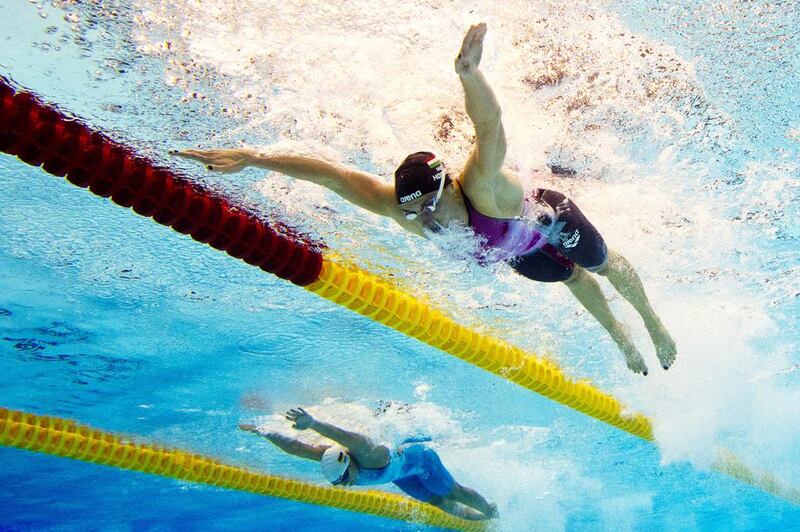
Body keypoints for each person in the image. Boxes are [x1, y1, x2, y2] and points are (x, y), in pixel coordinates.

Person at [173, 23, 676, 375]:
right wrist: (253, 158)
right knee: (572, 278)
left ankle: (651, 322)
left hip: (543, 220)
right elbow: (332, 175)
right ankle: (619, 336)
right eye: (414, 210)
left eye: (428, 205)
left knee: (601, 264)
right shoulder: (403, 207)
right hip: (511, 253)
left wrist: (469, 75)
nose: (423, 217)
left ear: (446, 185)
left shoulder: (482, 184)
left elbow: (489, 126)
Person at [240, 407, 497, 521]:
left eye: (344, 479)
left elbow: (344, 435)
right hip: (399, 475)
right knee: (436, 502)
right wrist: (263, 431)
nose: (346, 485)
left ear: (348, 464)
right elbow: (296, 448)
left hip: (420, 460)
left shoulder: (368, 454)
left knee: (452, 492)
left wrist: (315, 423)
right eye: (339, 484)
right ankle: (480, 522)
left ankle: (490, 510)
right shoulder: (332, 459)